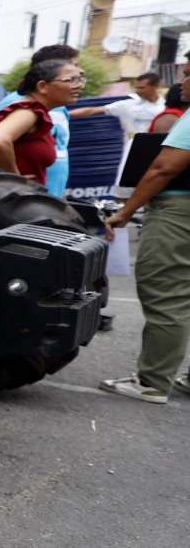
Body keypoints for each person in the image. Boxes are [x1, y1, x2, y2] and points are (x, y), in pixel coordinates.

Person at [97, 114, 190, 403]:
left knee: (167, 293)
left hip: (179, 210)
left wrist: (126, 211)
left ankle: (152, 382)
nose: (182, 89)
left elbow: (164, 168)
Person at [0, 59, 84, 185]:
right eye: (71, 80)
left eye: (80, 80)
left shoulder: (36, 112)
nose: (79, 85)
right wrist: (15, 181)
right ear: (42, 86)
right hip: (6, 194)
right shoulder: (28, 111)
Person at [110, 73, 166, 139]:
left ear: (156, 86)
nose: (137, 91)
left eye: (142, 88)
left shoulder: (167, 106)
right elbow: (100, 109)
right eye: (136, 88)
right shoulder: (126, 105)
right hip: (132, 144)